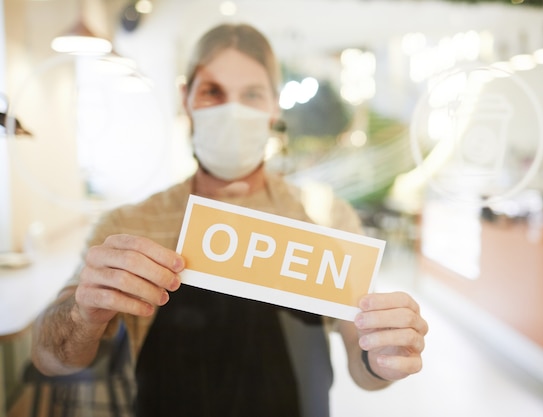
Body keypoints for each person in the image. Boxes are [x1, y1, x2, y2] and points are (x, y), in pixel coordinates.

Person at [30, 23, 428, 417]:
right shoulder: (131, 225)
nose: (231, 111)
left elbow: (364, 365)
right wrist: (83, 315)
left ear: (274, 106)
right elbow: (51, 358)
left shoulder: (325, 217)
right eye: (212, 92)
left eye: (251, 95)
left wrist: (385, 356)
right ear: (186, 99)